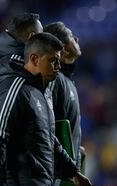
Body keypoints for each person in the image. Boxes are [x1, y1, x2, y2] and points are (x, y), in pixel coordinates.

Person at [0, 33, 91, 186]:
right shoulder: (15, 89)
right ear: (34, 59)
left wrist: (74, 173)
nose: (57, 67)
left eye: (58, 61)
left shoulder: (41, 93)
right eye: (52, 61)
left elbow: (49, 139)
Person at [0, 12, 43, 137]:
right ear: (31, 37)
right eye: (41, 34)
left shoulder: (29, 67)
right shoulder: (10, 68)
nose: (44, 40)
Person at [43, 22, 84, 173]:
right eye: (72, 37)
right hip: (54, 178)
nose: (77, 39)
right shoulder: (54, 80)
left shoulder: (66, 81)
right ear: (64, 50)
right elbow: (46, 129)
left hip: (66, 176)